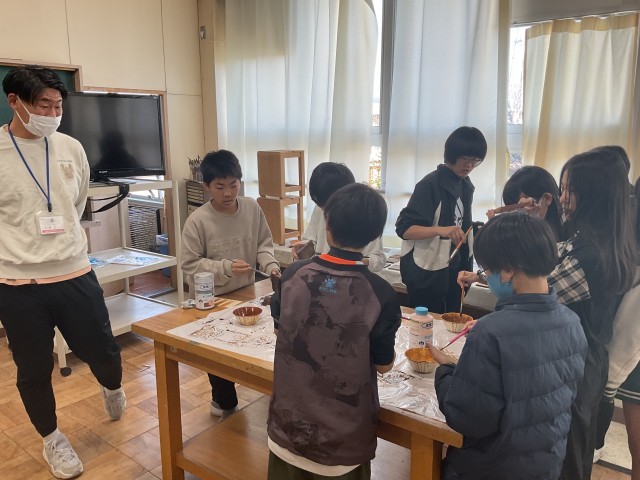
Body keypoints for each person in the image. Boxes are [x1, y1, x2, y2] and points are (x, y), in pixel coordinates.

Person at [459, 146, 636, 480]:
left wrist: (497, 250)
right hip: (571, 352)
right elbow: (538, 266)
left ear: (594, 194)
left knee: (566, 450)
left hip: (578, 358)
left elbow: (529, 283)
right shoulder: (590, 237)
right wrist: (485, 274)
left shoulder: (591, 254)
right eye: (562, 188)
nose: (562, 198)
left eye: (570, 190)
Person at [0, 65, 126, 479]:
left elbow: (76, 203)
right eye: (44, 105)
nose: (53, 114)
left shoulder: (70, 147)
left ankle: (112, 386)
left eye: (58, 106)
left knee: (104, 352)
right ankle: (53, 439)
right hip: (17, 284)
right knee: (34, 369)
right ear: (14, 101)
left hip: (73, 271)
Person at [427, 212, 588, 480]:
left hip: (492, 468)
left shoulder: (491, 332)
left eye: (487, 271)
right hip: (546, 463)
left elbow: (467, 418)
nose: (487, 278)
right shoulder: (572, 322)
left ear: (510, 269)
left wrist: (445, 372)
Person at [268, 183, 401, 479]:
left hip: (287, 428)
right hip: (342, 442)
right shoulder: (381, 294)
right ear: (374, 235)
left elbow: (281, 332)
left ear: (327, 224)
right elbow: (383, 365)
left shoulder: (293, 275)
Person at [180, 149, 280, 419]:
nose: (228, 193)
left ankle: (256, 387)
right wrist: (225, 267)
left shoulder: (251, 208)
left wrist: (270, 266)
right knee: (218, 352)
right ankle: (223, 400)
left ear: (240, 182)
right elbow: (189, 264)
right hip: (211, 299)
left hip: (246, 293)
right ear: (206, 186)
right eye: (220, 187)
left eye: (233, 185)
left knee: (251, 341)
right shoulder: (197, 221)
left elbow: (263, 244)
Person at [396, 126, 486, 313]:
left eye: (475, 161)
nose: (469, 165)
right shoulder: (429, 185)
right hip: (427, 270)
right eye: (465, 159)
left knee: (450, 320)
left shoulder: (465, 184)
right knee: (424, 322)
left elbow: (461, 223)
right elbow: (404, 229)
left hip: (454, 268)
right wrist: (441, 229)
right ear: (452, 154)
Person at [295, 162, 386, 272]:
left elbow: (379, 260)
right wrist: (303, 248)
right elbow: (310, 240)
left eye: (329, 207)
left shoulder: (365, 212)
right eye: (323, 207)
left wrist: (357, 262)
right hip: (322, 273)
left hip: (354, 275)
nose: (326, 212)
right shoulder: (319, 206)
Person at [488, 165, 563, 241]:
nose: (517, 216)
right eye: (512, 210)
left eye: (521, 206)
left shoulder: (566, 236)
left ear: (547, 199)